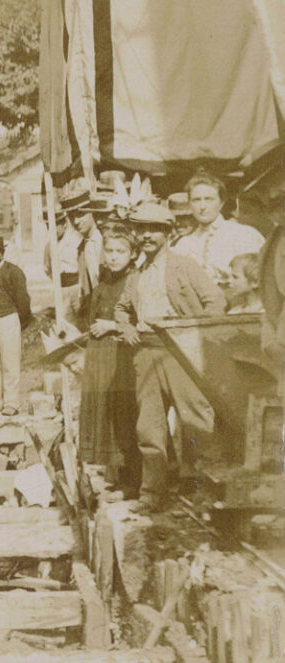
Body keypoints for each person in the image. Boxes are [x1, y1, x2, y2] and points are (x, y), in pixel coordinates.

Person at [115, 202, 225, 508]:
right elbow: (121, 308)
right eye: (141, 229)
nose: (146, 235)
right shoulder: (136, 273)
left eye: (154, 229)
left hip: (181, 352)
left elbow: (215, 301)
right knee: (149, 427)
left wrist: (198, 337)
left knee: (196, 420)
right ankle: (153, 493)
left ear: (167, 232)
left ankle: (204, 489)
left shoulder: (184, 266)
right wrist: (125, 327)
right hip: (146, 353)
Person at [75, 237, 140, 485]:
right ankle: (116, 477)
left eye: (120, 251)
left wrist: (113, 326)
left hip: (121, 355)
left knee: (124, 412)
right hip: (100, 355)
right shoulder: (104, 281)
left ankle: (133, 480)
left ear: (133, 254)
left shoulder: (136, 280)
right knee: (106, 412)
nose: (113, 256)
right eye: (109, 251)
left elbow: (142, 320)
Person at [172, 173, 264, 286]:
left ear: (221, 203)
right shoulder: (184, 244)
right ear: (190, 204)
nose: (202, 206)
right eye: (196, 200)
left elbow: (258, 280)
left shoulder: (244, 235)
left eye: (209, 199)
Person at [0, 236, 32, 415]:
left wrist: (20, 323)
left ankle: (12, 403)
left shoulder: (13, 272)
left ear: (3, 251)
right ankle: (1, 401)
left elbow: (23, 301)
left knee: (10, 363)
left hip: (9, 319)